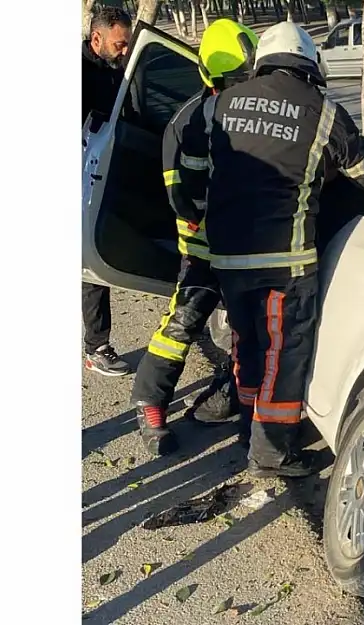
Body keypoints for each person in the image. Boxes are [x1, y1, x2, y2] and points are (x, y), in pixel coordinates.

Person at [180, 21, 364, 477]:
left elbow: (193, 174)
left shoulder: (220, 105)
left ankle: (249, 429)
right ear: (312, 64)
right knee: (283, 353)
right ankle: (271, 453)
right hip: (285, 261)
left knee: (249, 345)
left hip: (229, 258)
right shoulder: (324, 111)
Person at [128, 19, 261, 455]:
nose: (242, 89)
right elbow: (180, 196)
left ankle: (228, 399)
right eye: (234, 81)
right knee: (182, 323)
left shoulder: (253, 115)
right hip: (205, 249)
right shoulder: (186, 124)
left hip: (247, 249)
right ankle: (150, 406)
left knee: (247, 331)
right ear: (211, 75)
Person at [82, 6, 133, 376]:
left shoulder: (119, 71)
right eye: (120, 44)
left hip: (107, 171)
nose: (125, 50)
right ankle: (96, 346)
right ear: (96, 38)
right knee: (89, 267)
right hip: (83, 177)